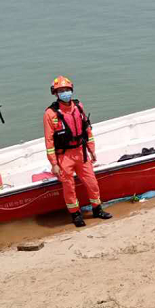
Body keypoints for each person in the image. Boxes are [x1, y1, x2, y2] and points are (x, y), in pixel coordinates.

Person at [43, 76, 113, 227]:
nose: (65, 93)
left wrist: (92, 150)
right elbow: (49, 142)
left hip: (81, 153)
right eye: (61, 91)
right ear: (55, 93)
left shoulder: (78, 106)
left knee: (92, 182)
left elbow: (87, 130)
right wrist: (54, 164)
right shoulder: (50, 114)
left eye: (67, 90)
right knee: (69, 187)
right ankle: (75, 214)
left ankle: (97, 209)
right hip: (64, 156)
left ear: (72, 90)